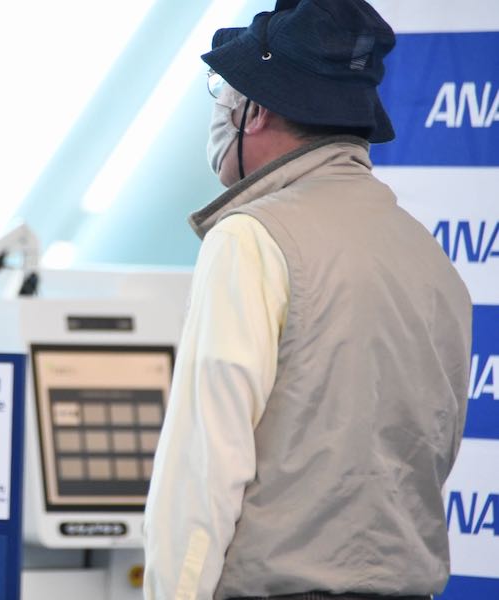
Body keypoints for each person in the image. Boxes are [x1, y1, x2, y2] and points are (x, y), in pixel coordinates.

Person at [143, 1, 472, 599]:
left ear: (255, 109)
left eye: (222, 91)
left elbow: (204, 470)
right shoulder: (431, 258)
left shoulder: (251, 237)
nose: (218, 109)